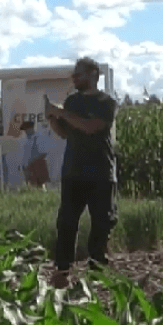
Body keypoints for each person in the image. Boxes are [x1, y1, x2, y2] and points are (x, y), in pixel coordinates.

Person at [43, 57, 118, 289]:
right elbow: (66, 133)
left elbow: (90, 127)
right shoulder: (72, 101)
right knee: (67, 222)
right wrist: (52, 119)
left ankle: (97, 270)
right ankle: (63, 270)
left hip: (100, 172)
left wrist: (61, 112)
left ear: (93, 75)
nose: (74, 78)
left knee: (101, 222)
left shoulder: (107, 102)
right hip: (73, 171)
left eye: (78, 74)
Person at [20, 120, 49, 186]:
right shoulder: (25, 140)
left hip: (38, 164)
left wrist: (33, 161)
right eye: (24, 130)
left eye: (26, 129)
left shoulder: (38, 137)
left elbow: (44, 153)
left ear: (31, 128)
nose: (25, 131)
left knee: (41, 184)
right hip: (29, 166)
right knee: (31, 185)